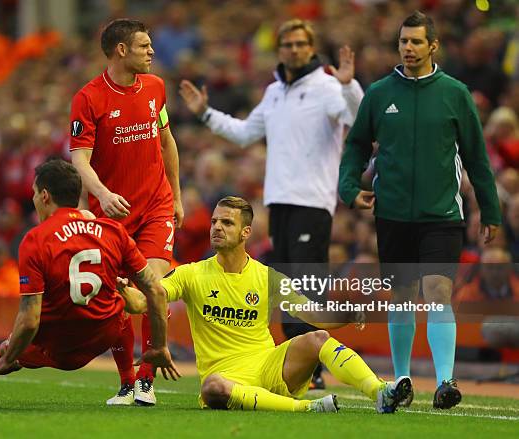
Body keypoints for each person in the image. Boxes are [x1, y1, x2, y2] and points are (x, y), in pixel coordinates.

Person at [179, 18, 364, 389]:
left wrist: (349, 86)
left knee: (306, 283)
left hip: (312, 200)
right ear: (279, 50)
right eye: (287, 45)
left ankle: (313, 368)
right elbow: (246, 133)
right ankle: (300, 367)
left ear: (311, 48)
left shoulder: (328, 86)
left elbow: (356, 118)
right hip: (279, 200)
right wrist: (205, 113)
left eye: (300, 44)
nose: (293, 50)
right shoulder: (274, 92)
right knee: (287, 285)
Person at [338, 11, 502, 409]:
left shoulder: (455, 93)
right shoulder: (379, 94)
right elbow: (357, 146)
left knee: (437, 291)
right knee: (403, 296)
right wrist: (348, 188)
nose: (408, 48)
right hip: (392, 213)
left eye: (415, 42)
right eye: (403, 42)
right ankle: (403, 379)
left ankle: (446, 381)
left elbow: (477, 157)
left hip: (441, 215)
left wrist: (491, 210)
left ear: (433, 46)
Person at [120, 196, 412, 414]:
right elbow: (146, 301)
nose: (217, 228)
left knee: (317, 338)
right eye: (214, 222)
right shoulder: (191, 273)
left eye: (227, 222)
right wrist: (124, 292)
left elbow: (311, 312)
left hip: (270, 366)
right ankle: (306, 408)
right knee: (212, 387)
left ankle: (380, 392)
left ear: (246, 233)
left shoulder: (267, 276)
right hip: (227, 376)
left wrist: (347, 313)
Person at [0, 160, 179, 396]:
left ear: (45, 196)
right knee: (120, 294)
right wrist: (159, 346)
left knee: (12, 346)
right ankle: (132, 383)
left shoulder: (36, 239)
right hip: (103, 337)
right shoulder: (114, 231)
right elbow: (156, 292)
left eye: (34, 192)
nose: (33, 198)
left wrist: (8, 356)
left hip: (58, 349)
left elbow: (29, 321)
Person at [70, 18, 183, 405]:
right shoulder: (89, 98)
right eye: (144, 46)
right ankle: (126, 380)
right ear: (121, 50)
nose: (152, 52)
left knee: (154, 285)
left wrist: (178, 198)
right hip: (112, 213)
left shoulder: (155, 88)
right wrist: (103, 194)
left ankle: (147, 382)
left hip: (155, 205)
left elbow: (166, 140)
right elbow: (80, 161)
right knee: (117, 296)